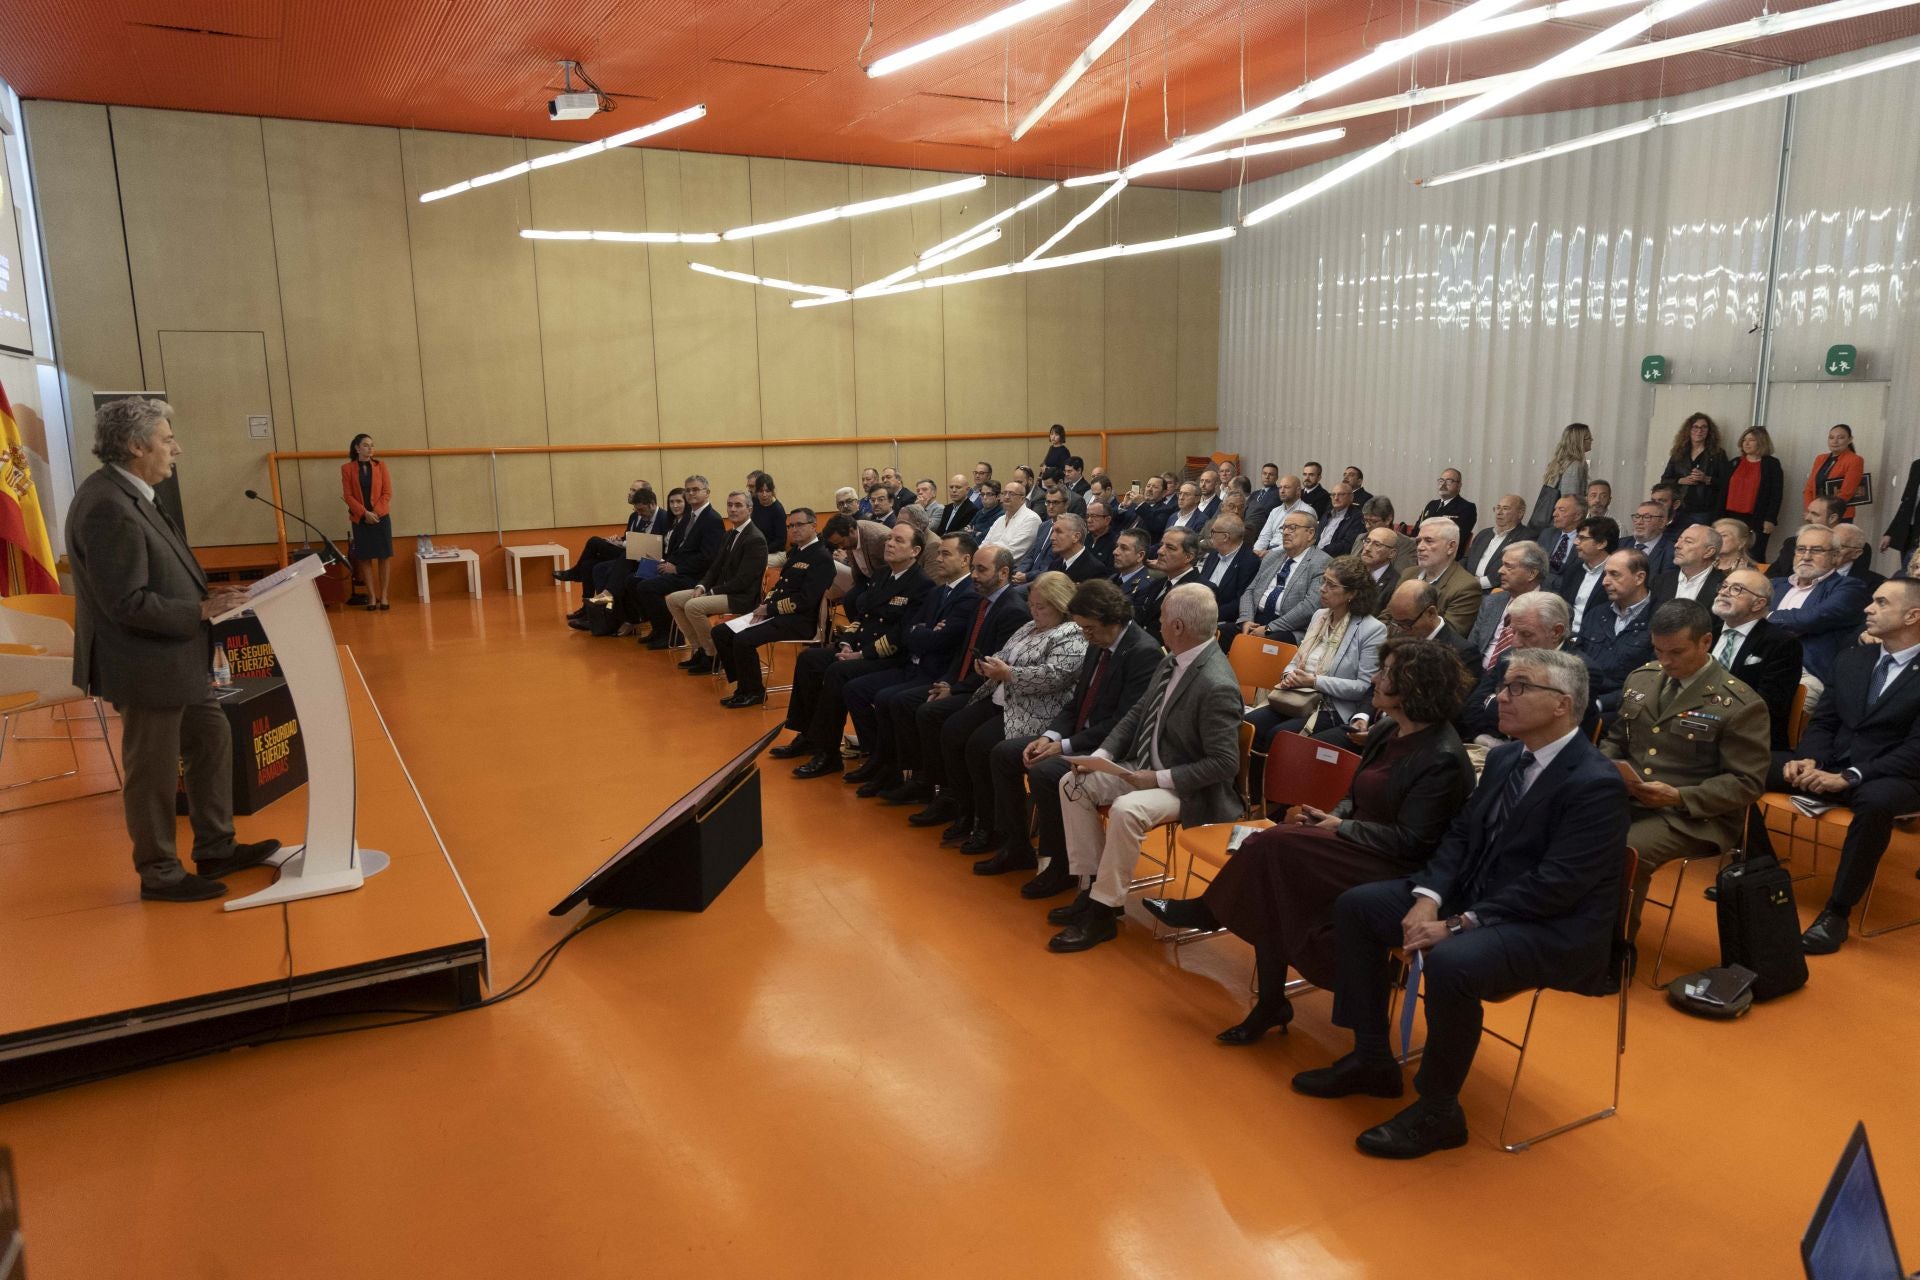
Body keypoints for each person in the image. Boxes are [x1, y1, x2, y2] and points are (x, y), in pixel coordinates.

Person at [1294, 648, 1629, 1160]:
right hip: (1479, 899)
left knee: (1452, 961)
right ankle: (1372, 1058)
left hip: (1552, 926)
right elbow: (1460, 837)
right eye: (1505, 685)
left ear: (1562, 704)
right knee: (1360, 906)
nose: (1502, 696)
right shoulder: (1503, 758)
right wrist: (1429, 898)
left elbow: (1559, 883)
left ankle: (1439, 1109)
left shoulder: (1596, 783)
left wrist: (1458, 923)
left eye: (1519, 687)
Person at [1145, 639, 1475, 1042]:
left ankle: (1212, 914)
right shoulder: (1389, 727)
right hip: (1355, 843)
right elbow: (1355, 793)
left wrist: (1339, 828)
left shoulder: (1442, 757)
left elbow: (1412, 841)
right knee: (1273, 870)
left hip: (1393, 864)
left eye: (1386, 673)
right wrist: (1333, 816)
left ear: (1414, 686)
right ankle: (1268, 1000)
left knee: (1273, 847)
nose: (1374, 678)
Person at [66, 397, 281, 902]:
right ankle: (159, 872)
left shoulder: (131, 493)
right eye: (166, 440)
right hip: (144, 663)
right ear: (136, 445)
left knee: (210, 737)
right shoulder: (108, 507)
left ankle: (216, 847)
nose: (176, 449)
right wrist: (201, 611)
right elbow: (127, 603)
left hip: (174, 658)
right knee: (153, 771)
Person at [1047, 584, 1244, 952]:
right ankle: (1091, 889)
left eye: (1164, 618)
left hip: (1187, 789)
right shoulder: (1173, 659)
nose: (1158, 623)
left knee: (1126, 809)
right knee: (1072, 783)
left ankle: (1104, 912)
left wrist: (1155, 778)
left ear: (1180, 627)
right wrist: (1103, 756)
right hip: (1145, 768)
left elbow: (1224, 764)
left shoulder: (1216, 683)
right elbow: (1139, 712)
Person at [1746, 579, 1920, 953]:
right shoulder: (1853, 658)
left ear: (1912, 615)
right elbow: (1825, 721)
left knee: (1875, 802)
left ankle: (1836, 913)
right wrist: (1810, 758)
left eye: (1880, 602)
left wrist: (1850, 776)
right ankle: (1763, 872)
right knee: (1745, 767)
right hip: (1833, 762)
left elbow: (1916, 748)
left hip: (1894, 774)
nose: (1867, 609)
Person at [1599, 600, 1770, 941]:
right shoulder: (1643, 679)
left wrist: (1679, 796)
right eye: (1658, 650)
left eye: (1676, 651)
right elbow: (1616, 740)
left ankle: (1614, 950)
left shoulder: (1739, 704)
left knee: (1624, 850)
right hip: (1631, 797)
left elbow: (1747, 783)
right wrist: (1610, 770)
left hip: (1694, 817)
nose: (1665, 661)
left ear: (1706, 642)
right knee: (1564, 824)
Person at [987, 580, 1163, 891]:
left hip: (1113, 748)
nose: (1085, 635)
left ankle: (1062, 866)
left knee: (1045, 772)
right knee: (1004, 753)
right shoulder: (1098, 641)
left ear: (1112, 620)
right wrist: (1050, 735)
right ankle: (1017, 846)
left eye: (1089, 628)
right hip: (1077, 736)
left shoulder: (1143, 653)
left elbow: (1124, 723)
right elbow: (1077, 701)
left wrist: (1063, 746)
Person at [924, 571, 1087, 847]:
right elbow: (1006, 652)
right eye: (1032, 605)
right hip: (1001, 699)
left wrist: (1008, 673)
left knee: (980, 746)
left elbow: (1054, 676)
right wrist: (988, 664)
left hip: (1032, 710)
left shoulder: (1071, 634)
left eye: (1041, 607)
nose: (1034, 611)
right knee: (952, 730)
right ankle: (965, 809)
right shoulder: (1028, 627)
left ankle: (992, 825)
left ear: (1061, 605)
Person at [868, 546, 1029, 805]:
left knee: (928, 711)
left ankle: (941, 789)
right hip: (961, 680)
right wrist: (948, 681)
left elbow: (992, 668)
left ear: (1004, 573)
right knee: (909, 703)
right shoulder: (983, 601)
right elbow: (964, 652)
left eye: (981, 569)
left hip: (987, 690)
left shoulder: (1013, 610)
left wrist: (955, 690)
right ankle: (919, 778)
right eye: (974, 568)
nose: (974, 575)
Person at [774, 522, 930, 777]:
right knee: (809, 659)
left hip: (889, 658)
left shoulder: (921, 585)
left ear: (915, 551)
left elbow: (901, 636)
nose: (890, 543)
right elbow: (863, 616)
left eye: (898, 541)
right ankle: (808, 734)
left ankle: (828, 753)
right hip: (859, 647)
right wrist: (846, 642)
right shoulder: (881, 575)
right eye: (889, 538)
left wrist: (860, 654)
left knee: (837, 671)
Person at [842, 534, 980, 790]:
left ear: (966, 559)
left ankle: (911, 774)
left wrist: (922, 631)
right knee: (856, 688)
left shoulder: (969, 595)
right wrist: (924, 631)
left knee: (892, 699)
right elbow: (909, 633)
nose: (938, 559)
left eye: (945, 554)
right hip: (914, 664)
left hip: (935, 672)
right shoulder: (939, 591)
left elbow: (940, 640)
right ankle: (880, 759)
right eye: (938, 553)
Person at [1244, 555, 1385, 758]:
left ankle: (1274, 788)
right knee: (1251, 724)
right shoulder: (1320, 616)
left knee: (1278, 735)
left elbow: (1363, 687)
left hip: (1331, 706)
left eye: (1331, 585)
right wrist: (1288, 675)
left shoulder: (1371, 629)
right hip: (1296, 695)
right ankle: (1248, 788)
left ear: (1351, 593)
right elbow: (1295, 661)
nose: (1322, 588)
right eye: (1323, 581)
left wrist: (1315, 682)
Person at [711, 508, 835, 708]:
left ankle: (754, 692)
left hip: (799, 621)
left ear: (814, 526)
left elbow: (806, 600)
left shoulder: (821, 557)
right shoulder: (796, 551)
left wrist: (769, 610)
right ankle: (743, 685)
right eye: (790, 526)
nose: (793, 530)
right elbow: (779, 587)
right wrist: (765, 605)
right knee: (721, 632)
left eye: (799, 525)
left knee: (743, 639)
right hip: (776, 613)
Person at [664, 491, 770, 676]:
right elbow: (714, 568)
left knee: (693, 606)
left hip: (741, 597)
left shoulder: (755, 539)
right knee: (673, 599)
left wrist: (711, 592)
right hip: (722, 590)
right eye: (730, 505)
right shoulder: (730, 534)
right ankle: (700, 650)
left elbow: (743, 581)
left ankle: (713, 655)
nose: (732, 509)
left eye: (738, 505)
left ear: (749, 509)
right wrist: (701, 586)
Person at [623, 477, 724, 649]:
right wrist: (665, 562)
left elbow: (708, 557)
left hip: (695, 575)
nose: (690, 493)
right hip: (678, 567)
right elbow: (679, 548)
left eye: (695, 490)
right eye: (688, 490)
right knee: (632, 580)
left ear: (707, 493)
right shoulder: (689, 517)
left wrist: (677, 568)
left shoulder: (712, 519)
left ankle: (672, 634)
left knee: (647, 587)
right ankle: (658, 628)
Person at [1709, 569, 1805, 751]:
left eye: (1737, 589)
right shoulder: (1707, 633)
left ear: (1758, 603)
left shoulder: (1782, 643)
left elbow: (1767, 706)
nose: (1724, 592)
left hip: (1748, 740)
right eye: (1724, 586)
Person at [1769, 525, 1873, 684]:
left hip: (1802, 672)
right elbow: (1743, 615)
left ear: (1835, 556)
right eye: (1801, 549)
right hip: (1756, 660)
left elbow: (1811, 618)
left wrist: (1766, 616)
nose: (1806, 556)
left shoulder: (1849, 587)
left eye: (1817, 550)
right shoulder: (1774, 585)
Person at [555, 480, 668, 610]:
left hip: (651, 559)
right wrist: (619, 541)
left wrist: (626, 544)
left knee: (596, 543)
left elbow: (660, 547)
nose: (640, 514)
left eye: (641, 510)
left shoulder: (664, 518)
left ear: (652, 504)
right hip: (634, 555)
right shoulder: (638, 516)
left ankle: (604, 596)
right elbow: (631, 538)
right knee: (593, 566)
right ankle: (594, 613)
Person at [1575, 548, 1655, 716]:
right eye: (1605, 574)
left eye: (1614, 574)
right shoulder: (1596, 614)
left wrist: (1599, 703)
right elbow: (1576, 661)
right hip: (1581, 699)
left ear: (1639, 577)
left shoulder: (1658, 620)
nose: (1605, 581)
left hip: (1626, 710)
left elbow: (1652, 682)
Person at [1233, 511, 1329, 646]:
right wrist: (1246, 619)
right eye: (1284, 528)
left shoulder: (1322, 563)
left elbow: (1309, 607)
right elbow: (1250, 590)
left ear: (1310, 533)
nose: (1285, 532)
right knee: (1220, 632)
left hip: (1289, 629)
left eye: (1292, 528)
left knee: (1265, 645)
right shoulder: (1272, 556)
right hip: (1255, 620)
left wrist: (1269, 628)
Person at [1465, 542, 1549, 672]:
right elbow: (1472, 646)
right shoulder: (1491, 602)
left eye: (1509, 567)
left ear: (1531, 574)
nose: (1500, 571)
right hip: (1477, 673)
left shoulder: (1549, 610)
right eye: (1502, 565)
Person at [342, 433, 393, 610]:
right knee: (364, 557)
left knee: (384, 556)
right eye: (365, 445)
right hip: (360, 518)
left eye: (372, 445)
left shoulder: (381, 466)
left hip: (381, 518)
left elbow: (387, 493)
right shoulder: (347, 468)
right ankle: (372, 596)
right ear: (357, 448)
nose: (370, 448)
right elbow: (347, 495)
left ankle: (384, 595)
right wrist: (364, 513)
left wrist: (375, 513)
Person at [1409, 517, 1483, 637]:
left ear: (1451, 547)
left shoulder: (1466, 587)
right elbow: (1387, 616)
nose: (1420, 547)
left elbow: (1446, 637)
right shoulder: (1408, 574)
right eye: (1418, 541)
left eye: (1429, 541)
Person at [1723, 426, 1784, 560]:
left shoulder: (1771, 464)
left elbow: (1776, 494)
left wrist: (1770, 519)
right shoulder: (1735, 462)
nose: (1746, 443)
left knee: (1754, 555)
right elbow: (1722, 491)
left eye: (1751, 440)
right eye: (1744, 439)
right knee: (1730, 551)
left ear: (1761, 442)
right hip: (1731, 516)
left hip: (1757, 518)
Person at [1660, 412, 1728, 528]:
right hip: (1679, 508)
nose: (1699, 430)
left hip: (1704, 510)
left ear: (1709, 431)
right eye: (1695, 427)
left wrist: (1706, 479)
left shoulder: (1718, 454)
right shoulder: (1679, 453)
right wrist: (1681, 480)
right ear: (1688, 430)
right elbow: (1665, 480)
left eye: (1703, 427)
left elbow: (1726, 483)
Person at [1137, 528, 1204, 643]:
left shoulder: (1200, 591)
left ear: (1188, 557)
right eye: (1161, 545)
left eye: (1170, 548)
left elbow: (1182, 640)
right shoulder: (1158, 582)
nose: (1160, 551)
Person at [1558, 515, 1618, 637]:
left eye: (1582, 538)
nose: (1575, 542)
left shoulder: (1616, 574)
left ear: (1601, 543)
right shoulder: (1574, 569)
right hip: (1565, 635)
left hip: (1595, 638)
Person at [1197, 514, 1260, 627]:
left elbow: (1240, 602)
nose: (1210, 536)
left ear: (1225, 537)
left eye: (1213, 532)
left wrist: (1207, 615)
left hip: (1220, 620)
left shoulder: (1250, 562)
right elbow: (1200, 584)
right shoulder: (1213, 554)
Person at [1463, 494, 1535, 591]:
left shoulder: (1526, 538)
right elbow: (1466, 559)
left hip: (1494, 590)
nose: (1499, 512)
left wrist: (1480, 582)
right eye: (1497, 508)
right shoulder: (1484, 534)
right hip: (1467, 586)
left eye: (1505, 508)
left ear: (1520, 513)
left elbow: (1514, 569)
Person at [1649, 522, 1727, 608]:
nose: (1677, 545)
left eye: (1688, 541)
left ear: (1708, 552)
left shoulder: (1724, 587)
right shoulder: (1660, 581)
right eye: (1678, 540)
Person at [1530, 423, 1592, 529]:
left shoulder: (1562, 462)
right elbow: (1570, 499)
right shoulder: (1574, 465)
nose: (1592, 440)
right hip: (1562, 523)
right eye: (1588, 438)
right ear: (1579, 442)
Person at [1765, 495, 1844, 578]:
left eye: (1815, 514)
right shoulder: (1792, 543)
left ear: (1832, 518)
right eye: (1801, 549)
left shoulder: (1848, 547)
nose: (1807, 518)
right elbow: (1771, 576)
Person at [1802, 423, 1865, 519]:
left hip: (1839, 515)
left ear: (1850, 439)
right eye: (1831, 437)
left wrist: (1823, 513)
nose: (1835, 441)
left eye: (1841, 438)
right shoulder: (1820, 458)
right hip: (1816, 513)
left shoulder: (1855, 460)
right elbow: (1809, 489)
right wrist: (1810, 510)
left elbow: (1846, 493)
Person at [1416, 469, 1477, 558]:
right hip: (1422, 551)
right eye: (1441, 481)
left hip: (1446, 556)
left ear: (1459, 485)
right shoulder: (1432, 505)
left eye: (1449, 481)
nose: (1443, 484)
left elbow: (1458, 537)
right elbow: (1417, 529)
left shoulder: (1467, 508)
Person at [981, 479, 1041, 563]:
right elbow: (985, 543)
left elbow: (1011, 553)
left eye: (1011, 494)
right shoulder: (1000, 519)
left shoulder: (1031, 519)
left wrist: (983, 559)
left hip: (1011, 570)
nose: (1006, 497)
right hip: (987, 563)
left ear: (1022, 499)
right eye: (1004, 493)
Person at [1252, 474, 1313, 555]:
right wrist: (1256, 551)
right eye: (1280, 487)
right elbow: (1264, 537)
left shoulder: (1307, 511)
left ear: (1298, 491)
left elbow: (1298, 542)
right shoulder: (1275, 511)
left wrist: (1269, 553)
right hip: (1268, 551)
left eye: (1286, 487)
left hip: (1289, 553)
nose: (1282, 491)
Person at [1536, 494, 1587, 580]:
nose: (1554, 514)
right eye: (1555, 509)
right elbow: (1536, 563)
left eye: (1561, 510)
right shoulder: (1547, 534)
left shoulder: (1588, 539)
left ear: (1577, 516)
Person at [1108, 527, 1156, 618]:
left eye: (1124, 548)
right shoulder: (1112, 578)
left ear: (1140, 556)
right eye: (1117, 546)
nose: (1115, 552)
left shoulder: (1147, 586)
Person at [1627, 501, 1676, 580]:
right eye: (1637, 516)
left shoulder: (1672, 551)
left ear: (1662, 522)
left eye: (1647, 517)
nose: (1639, 522)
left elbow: (1665, 584)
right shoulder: (1620, 544)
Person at [1357, 526, 1402, 610]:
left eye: (1377, 545)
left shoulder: (1395, 584)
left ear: (1391, 553)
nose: (1367, 548)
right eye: (1367, 541)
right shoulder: (1351, 571)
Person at [1315, 482, 1365, 557]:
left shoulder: (1357, 517)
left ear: (1351, 497)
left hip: (1335, 559)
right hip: (1316, 555)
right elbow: (1316, 536)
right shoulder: (1327, 514)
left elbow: (1347, 544)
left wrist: (1321, 552)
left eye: (1341, 494)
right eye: (1333, 495)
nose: (1336, 498)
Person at [1833, 525, 1885, 594]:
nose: (1831, 550)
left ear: (1856, 553)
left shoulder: (1874, 584)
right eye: (1829, 544)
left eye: (1838, 546)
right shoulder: (1815, 574)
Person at [749, 473, 788, 563]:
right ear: (756, 491)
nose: (764, 494)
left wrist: (760, 550)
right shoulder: (755, 501)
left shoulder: (778, 510)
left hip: (776, 553)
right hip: (758, 548)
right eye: (761, 491)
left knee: (751, 562)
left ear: (772, 491)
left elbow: (780, 541)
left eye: (767, 491)